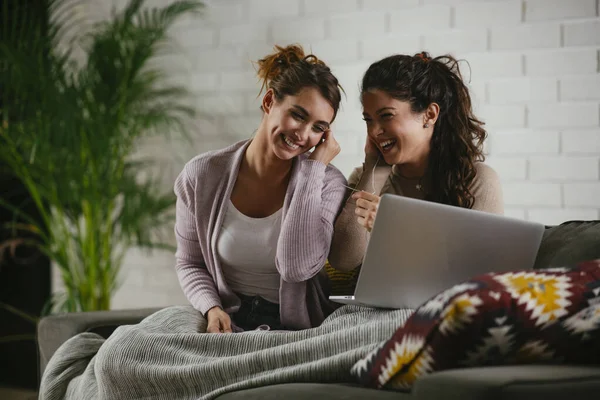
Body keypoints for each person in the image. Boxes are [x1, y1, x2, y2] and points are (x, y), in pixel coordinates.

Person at [174, 45, 347, 333]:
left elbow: (297, 268)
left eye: (318, 127)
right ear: (269, 102)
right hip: (228, 323)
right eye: (298, 115)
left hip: (294, 334)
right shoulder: (201, 175)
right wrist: (212, 308)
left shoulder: (328, 183)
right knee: (123, 353)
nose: (303, 135)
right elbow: (190, 262)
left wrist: (313, 169)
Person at [328, 52, 503, 273]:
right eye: (368, 120)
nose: (374, 131)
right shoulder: (366, 179)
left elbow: (480, 273)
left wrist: (397, 228)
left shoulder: (477, 180)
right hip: (375, 304)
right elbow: (343, 261)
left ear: (429, 114)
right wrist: (376, 168)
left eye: (386, 116)